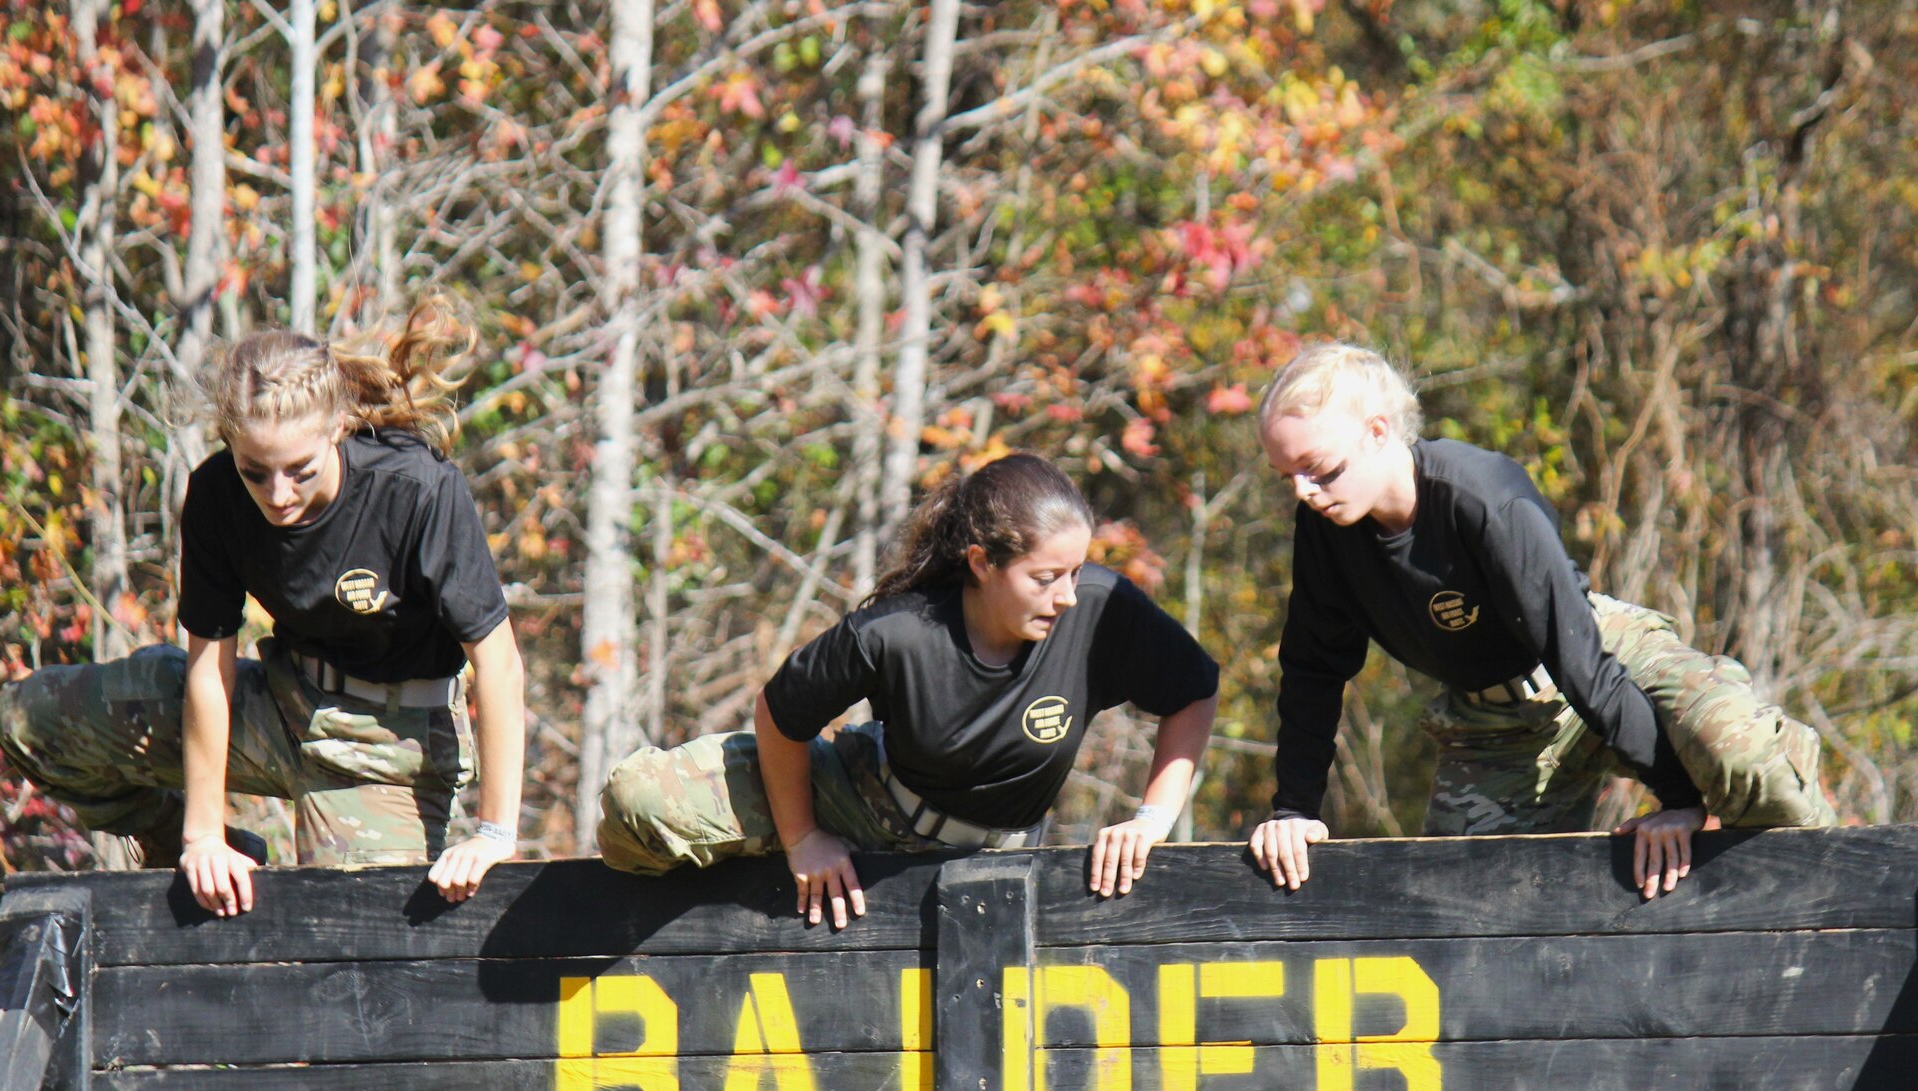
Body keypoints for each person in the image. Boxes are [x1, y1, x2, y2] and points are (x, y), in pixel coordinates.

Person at [1245, 342, 1836, 901]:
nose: (1305, 492)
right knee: (1453, 914)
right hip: (1497, 723)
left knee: (1749, 764)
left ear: (1378, 433)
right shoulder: (1325, 532)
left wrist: (1682, 801)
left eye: (1318, 469)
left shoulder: (1482, 496)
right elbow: (1312, 670)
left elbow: (1577, 655)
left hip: (1606, 658)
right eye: (1287, 477)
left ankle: (1852, 912)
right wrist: (1294, 811)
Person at [0, 297, 526, 915]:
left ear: (338, 426)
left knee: (350, 952)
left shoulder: (416, 491)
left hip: (389, 746)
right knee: (29, 721)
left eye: (299, 471)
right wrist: (201, 835)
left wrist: (495, 835)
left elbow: (500, 665)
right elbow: (209, 669)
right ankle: (198, 854)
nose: (278, 494)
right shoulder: (218, 495)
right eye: (256, 471)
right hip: (281, 703)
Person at [597, 452, 1220, 924]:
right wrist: (802, 839)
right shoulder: (896, 631)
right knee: (639, 803)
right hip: (867, 801)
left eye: (1078, 571)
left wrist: (1151, 819)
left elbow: (1194, 689)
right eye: (1046, 576)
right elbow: (780, 712)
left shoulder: (1101, 609)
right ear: (981, 563)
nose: (1068, 595)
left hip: (992, 860)